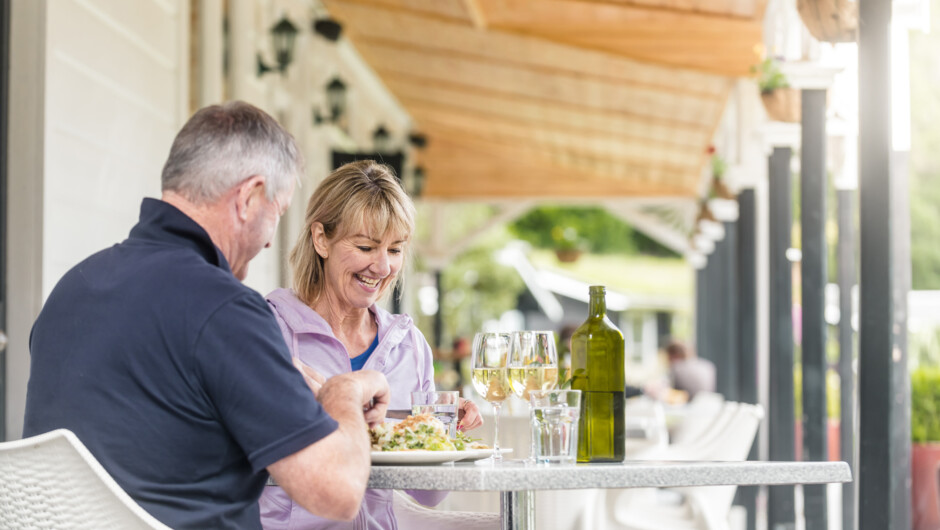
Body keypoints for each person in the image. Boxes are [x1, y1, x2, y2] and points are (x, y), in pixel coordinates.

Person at [23, 101, 390, 529]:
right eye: (278, 212)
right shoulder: (225, 308)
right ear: (250, 198)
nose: (271, 242)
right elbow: (338, 491)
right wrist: (344, 389)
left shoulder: (72, 288)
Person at [259, 160, 482, 530]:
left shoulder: (408, 343)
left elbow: (428, 494)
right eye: (365, 247)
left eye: (395, 250)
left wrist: (439, 430)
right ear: (321, 239)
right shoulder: (270, 329)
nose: (382, 267)